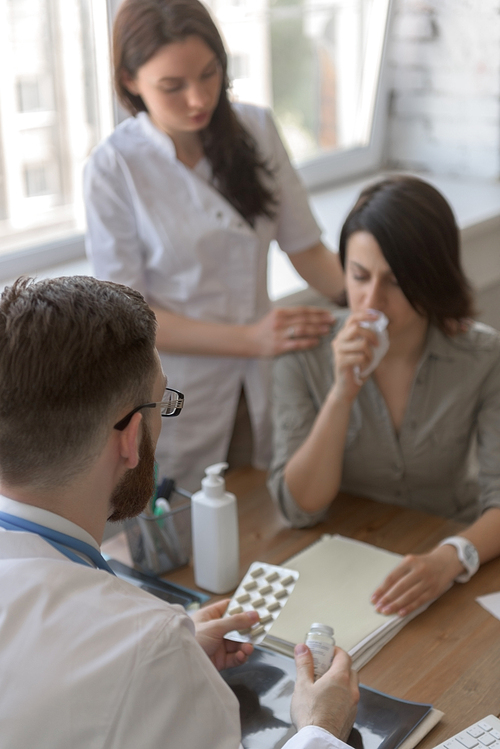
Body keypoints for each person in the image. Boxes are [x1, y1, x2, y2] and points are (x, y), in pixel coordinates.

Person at [0, 275, 358, 748]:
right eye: (160, 403)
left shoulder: (152, 644)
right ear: (131, 438)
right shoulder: (152, 645)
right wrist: (320, 728)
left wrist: (168, 663)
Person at [84, 0, 343, 492]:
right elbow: (131, 319)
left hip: (266, 378)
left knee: (270, 522)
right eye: (172, 86)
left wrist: (377, 299)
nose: (199, 98)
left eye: (209, 74)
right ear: (130, 81)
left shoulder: (256, 129)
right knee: (189, 539)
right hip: (177, 389)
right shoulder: (113, 168)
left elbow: (306, 249)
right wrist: (252, 339)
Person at [269, 175, 500, 618]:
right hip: (341, 570)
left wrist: (451, 558)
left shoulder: (483, 357)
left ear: (431, 278)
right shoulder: (303, 354)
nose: (371, 300)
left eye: (395, 282)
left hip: (446, 563)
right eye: (358, 276)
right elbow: (299, 508)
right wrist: (342, 392)